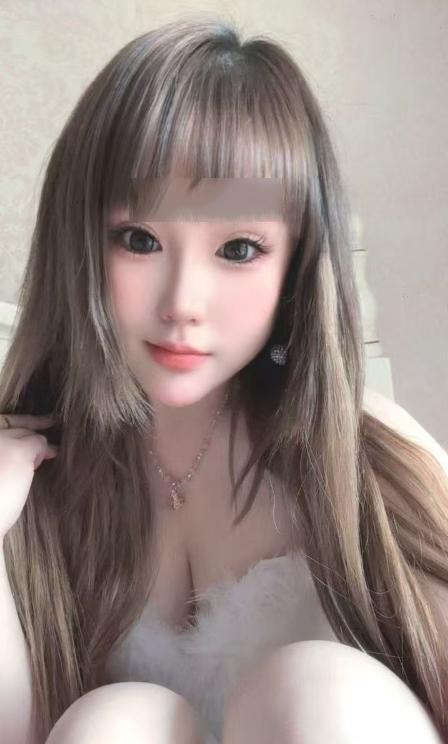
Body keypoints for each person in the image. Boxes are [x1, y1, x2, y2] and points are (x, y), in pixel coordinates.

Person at [0, 15, 447, 744]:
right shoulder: (34, 477)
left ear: (297, 267)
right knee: (114, 723)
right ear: (79, 244)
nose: (183, 302)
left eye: (238, 249)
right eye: (139, 239)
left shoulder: (367, 456)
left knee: (319, 688)